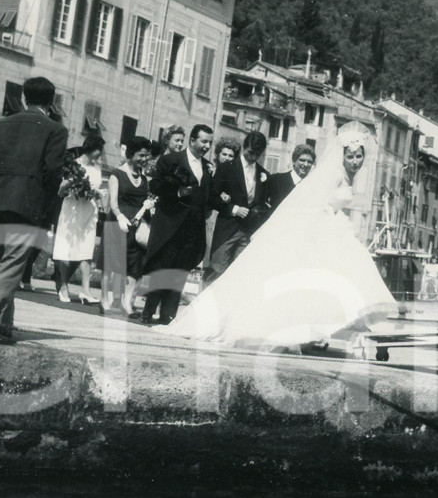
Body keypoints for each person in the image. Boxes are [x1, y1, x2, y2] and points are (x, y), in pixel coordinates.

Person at [166, 120, 398, 348]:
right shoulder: (333, 174)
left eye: (359, 156)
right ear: (342, 156)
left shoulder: (347, 175)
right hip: (322, 228)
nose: (355, 161)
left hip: (333, 228)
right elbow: (313, 205)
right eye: (351, 156)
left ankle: (318, 328)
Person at [0, 75, 68, 344]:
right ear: (51, 101)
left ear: (24, 97)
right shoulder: (55, 130)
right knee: (12, 266)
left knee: (3, 264)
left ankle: (3, 323)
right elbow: (52, 171)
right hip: (28, 204)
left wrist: (1, 183)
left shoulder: (0, 125)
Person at [140, 123, 215, 325]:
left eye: (210, 142)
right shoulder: (170, 160)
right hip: (170, 225)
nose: (207, 146)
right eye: (203, 141)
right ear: (192, 141)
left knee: (180, 271)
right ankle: (148, 310)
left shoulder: (207, 167)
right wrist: (177, 193)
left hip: (192, 229)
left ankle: (168, 315)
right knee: (162, 267)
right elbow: (155, 185)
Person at [206, 130, 271, 283]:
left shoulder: (264, 174)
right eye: (250, 153)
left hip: (248, 232)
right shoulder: (227, 168)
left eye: (258, 154)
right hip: (227, 230)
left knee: (238, 276)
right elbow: (211, 198)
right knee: (217, 272)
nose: (253, 157)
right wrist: (233, 209)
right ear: (244, 147)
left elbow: (264, 203)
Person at [102, 135, 154, 315]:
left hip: (136, 226)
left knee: (135, 265)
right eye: (141, 155)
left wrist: (148, 208)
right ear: (131, 154)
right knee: (110, 263)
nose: (144, 159)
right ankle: (104, 299)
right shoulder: (117, 174)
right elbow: (113, 203)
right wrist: (119, 216)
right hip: (118, 223)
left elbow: (145, 203)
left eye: (146, 155)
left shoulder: (144, 179)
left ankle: (127, 302)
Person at [52, 134, 105, 304]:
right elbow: (61, 191)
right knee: (66, 249)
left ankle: (85, 290)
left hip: (89, 210)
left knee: (87, 250)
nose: (100, 155)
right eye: (98, 151)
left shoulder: (97, 169)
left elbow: (95, 188)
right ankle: (63, 286)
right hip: (72, 211)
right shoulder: (74, 166)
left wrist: (97, 195)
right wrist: (70, 184)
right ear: (89, 149)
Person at [266, 143, 316, 212]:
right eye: (302, 160)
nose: (306, 164)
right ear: (294, 161)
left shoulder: (312, 186)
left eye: (310, 162)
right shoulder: (276, 180)